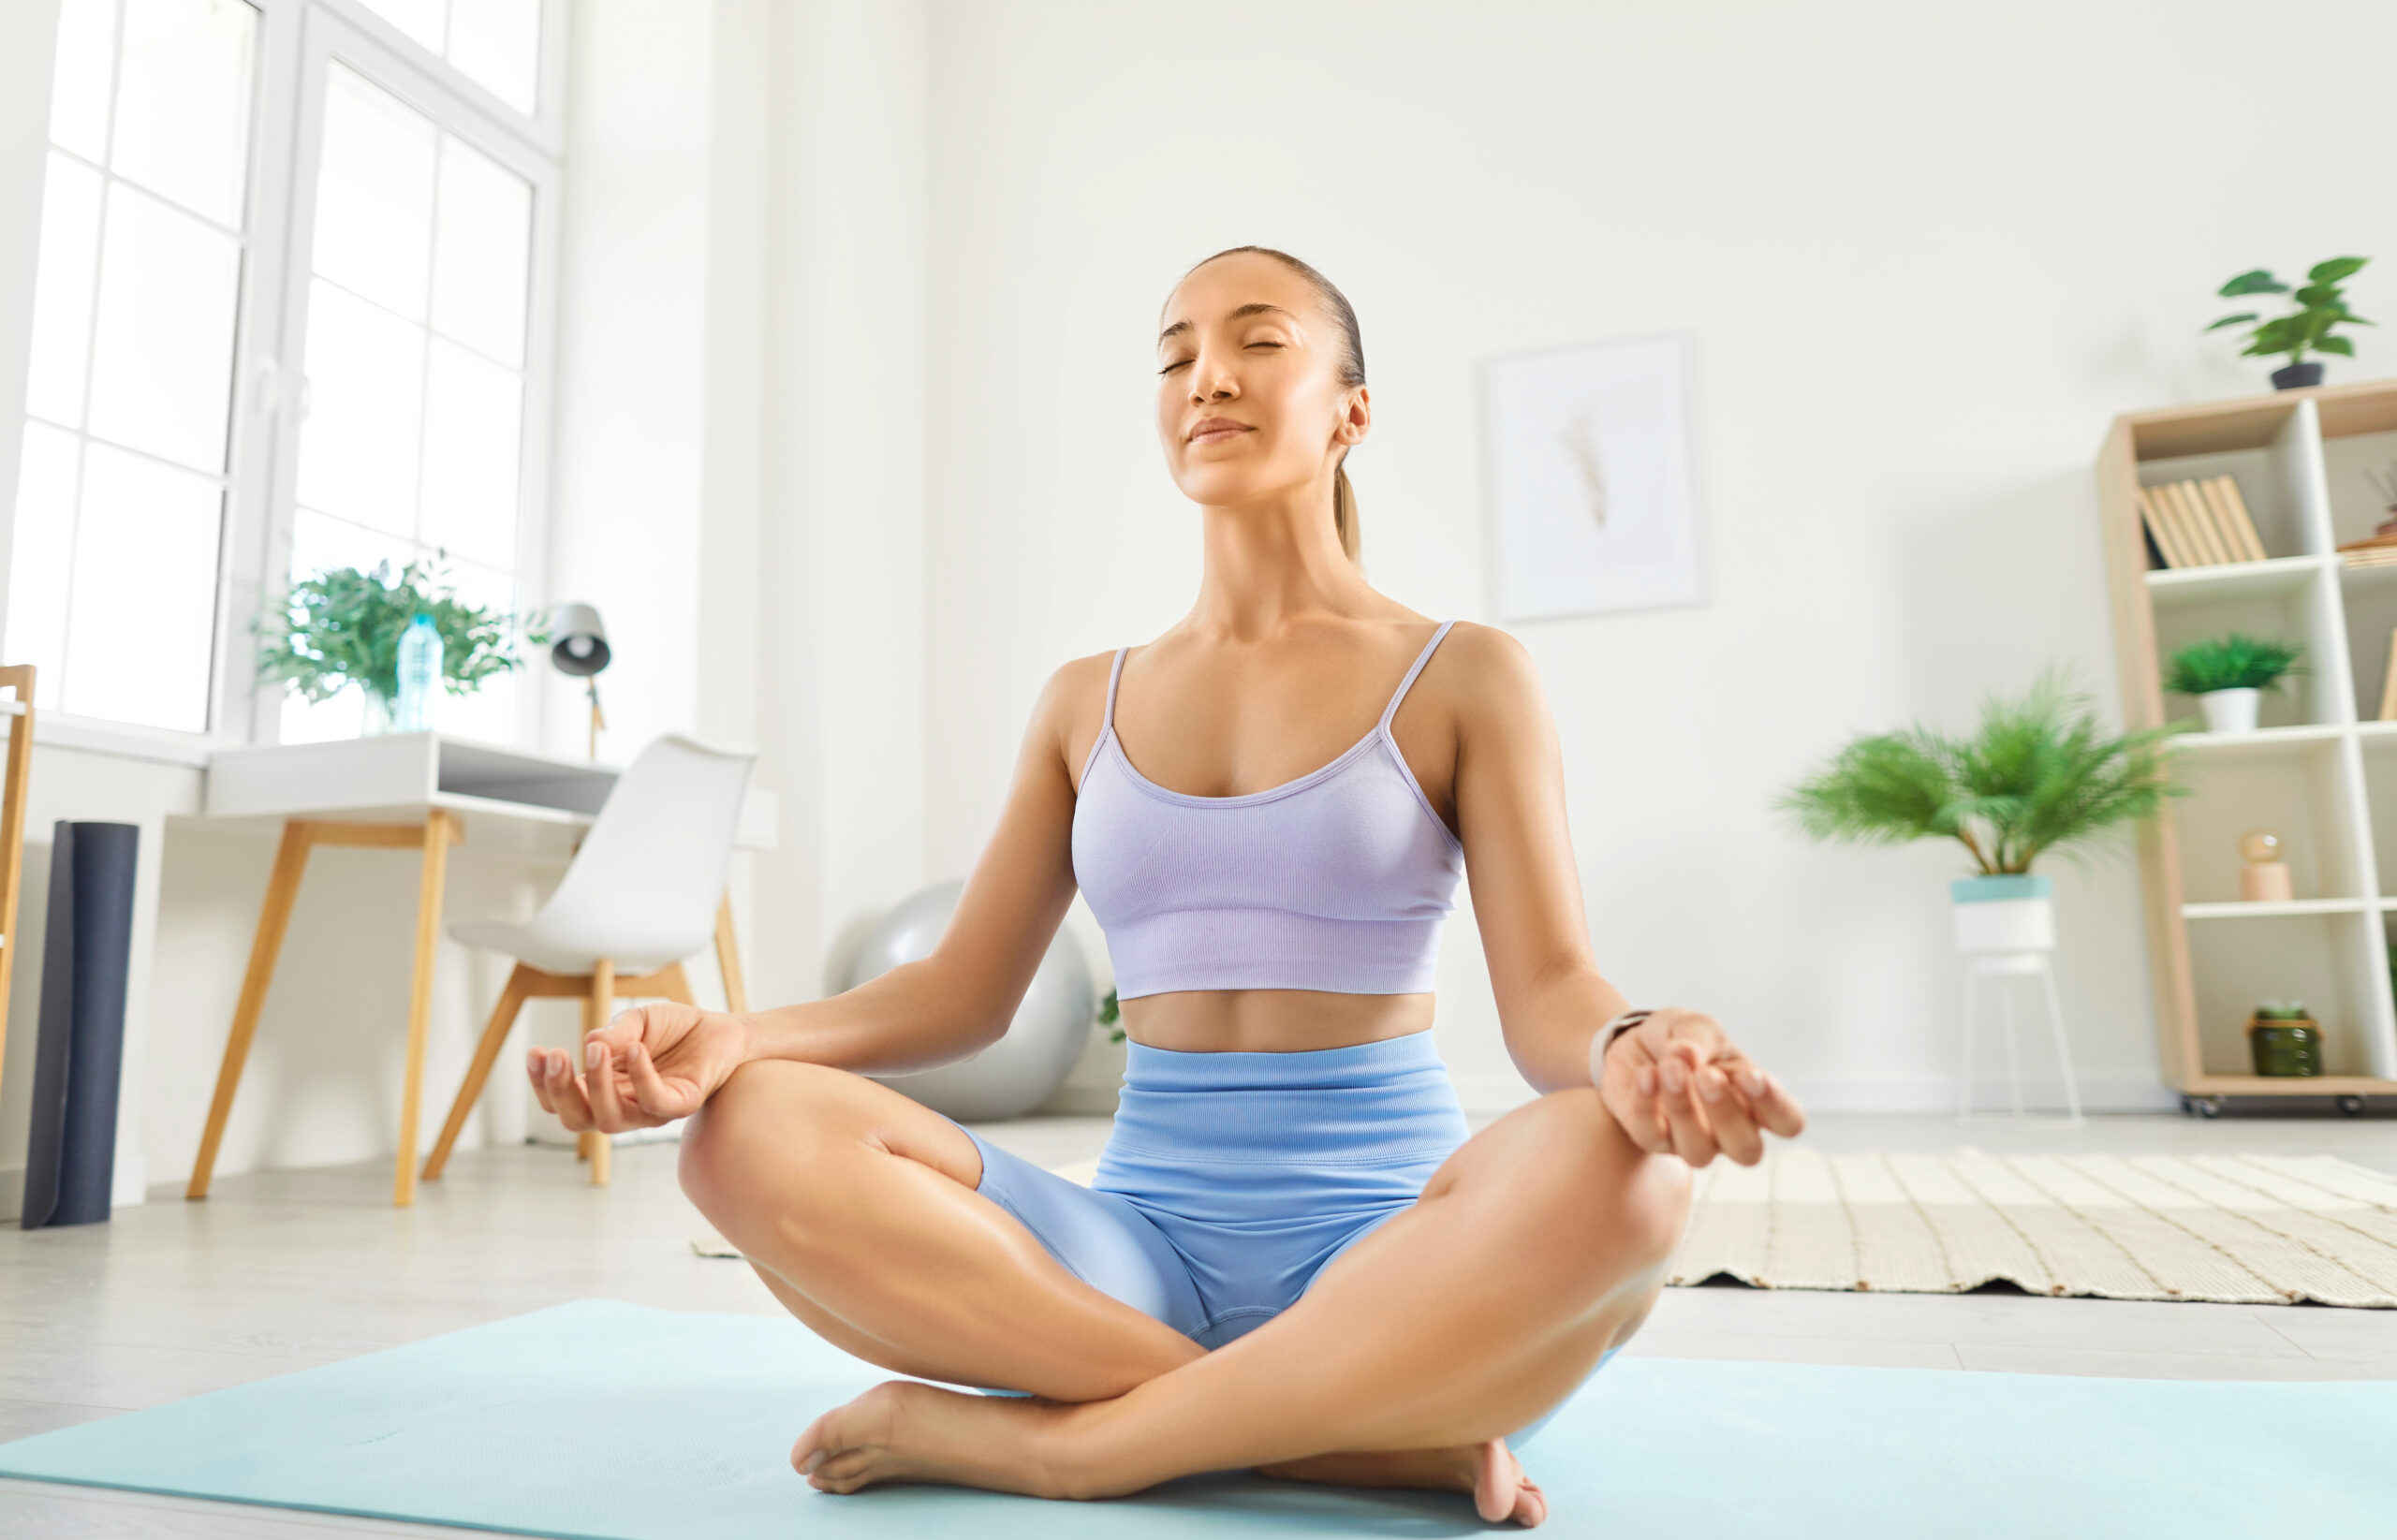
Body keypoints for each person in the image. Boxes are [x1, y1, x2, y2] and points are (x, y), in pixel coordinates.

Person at [525, 244, 1806, 1528]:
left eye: (1259, 341)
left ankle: (1063, 1449)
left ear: (1353, 411)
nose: (1208, 377)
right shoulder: (1088, 699)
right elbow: (963, 992)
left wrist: (1633, 1042)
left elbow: (1547, 997)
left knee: (1635, 1169)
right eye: (1176, 354)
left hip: (1398, 1273)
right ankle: (1327, 1429)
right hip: (1125, 1269)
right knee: (743, 1133)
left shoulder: (1467, 673)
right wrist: (735, 1040)